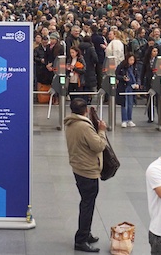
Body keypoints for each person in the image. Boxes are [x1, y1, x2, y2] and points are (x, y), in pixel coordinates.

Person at [64, 98, 107, 253]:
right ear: (85, 111)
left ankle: (86, 232)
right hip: (88, 170)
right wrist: (101, 130)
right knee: (87, 205)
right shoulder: (83, 126)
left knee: (86, 202)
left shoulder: (70, 123)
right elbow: (99, 145)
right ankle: (81, 239)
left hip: (78, 167)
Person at [115, 53, 139, 128]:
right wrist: (123, 78)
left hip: (132, 87)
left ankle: (129, 119)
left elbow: (138, 76)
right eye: (130, 60)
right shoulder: (122, 66)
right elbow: (116, 74)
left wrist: (138, 83)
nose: (132, 61)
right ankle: (124, 120)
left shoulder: (134, 67)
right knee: (124, 104)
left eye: (133, 60)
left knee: (130, 104)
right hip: (124, 87)